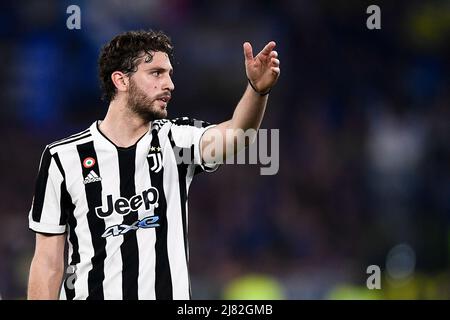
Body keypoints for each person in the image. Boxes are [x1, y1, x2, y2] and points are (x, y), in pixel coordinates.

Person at [27, 30, 280, 300]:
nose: (169, 84)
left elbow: (236, 136)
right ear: (121, 80)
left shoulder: (176, 139)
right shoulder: (62, 158)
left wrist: (257, 90)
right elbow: (48, 263)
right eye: (156, 73)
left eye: (170, 74)